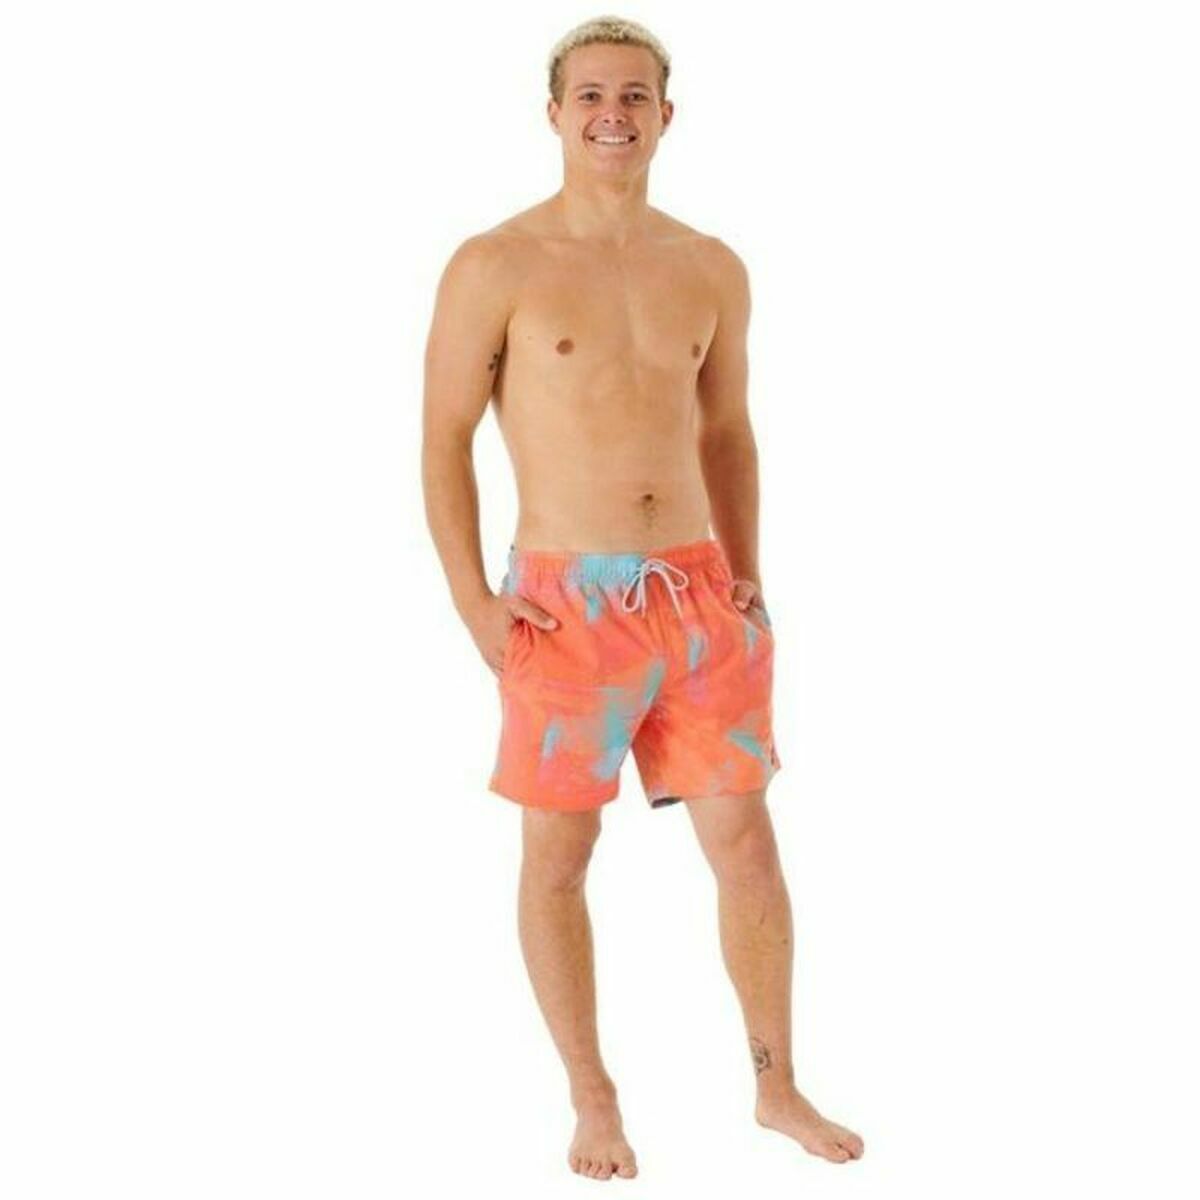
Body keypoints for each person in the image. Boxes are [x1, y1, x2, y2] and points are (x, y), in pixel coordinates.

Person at [422, 15, 864, 1181]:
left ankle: (776, 1084)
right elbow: (443, 436)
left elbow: (729, 431)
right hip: (564, 606)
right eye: (590, 95)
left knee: (747, 844)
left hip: (698, 594)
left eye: (633, 95)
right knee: (560, 855)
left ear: (666, 115)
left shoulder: (710, 264)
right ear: (554, 114)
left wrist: (749, 575)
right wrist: (473, 602)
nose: (611, 113)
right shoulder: (495, 263)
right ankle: (593, 1099)